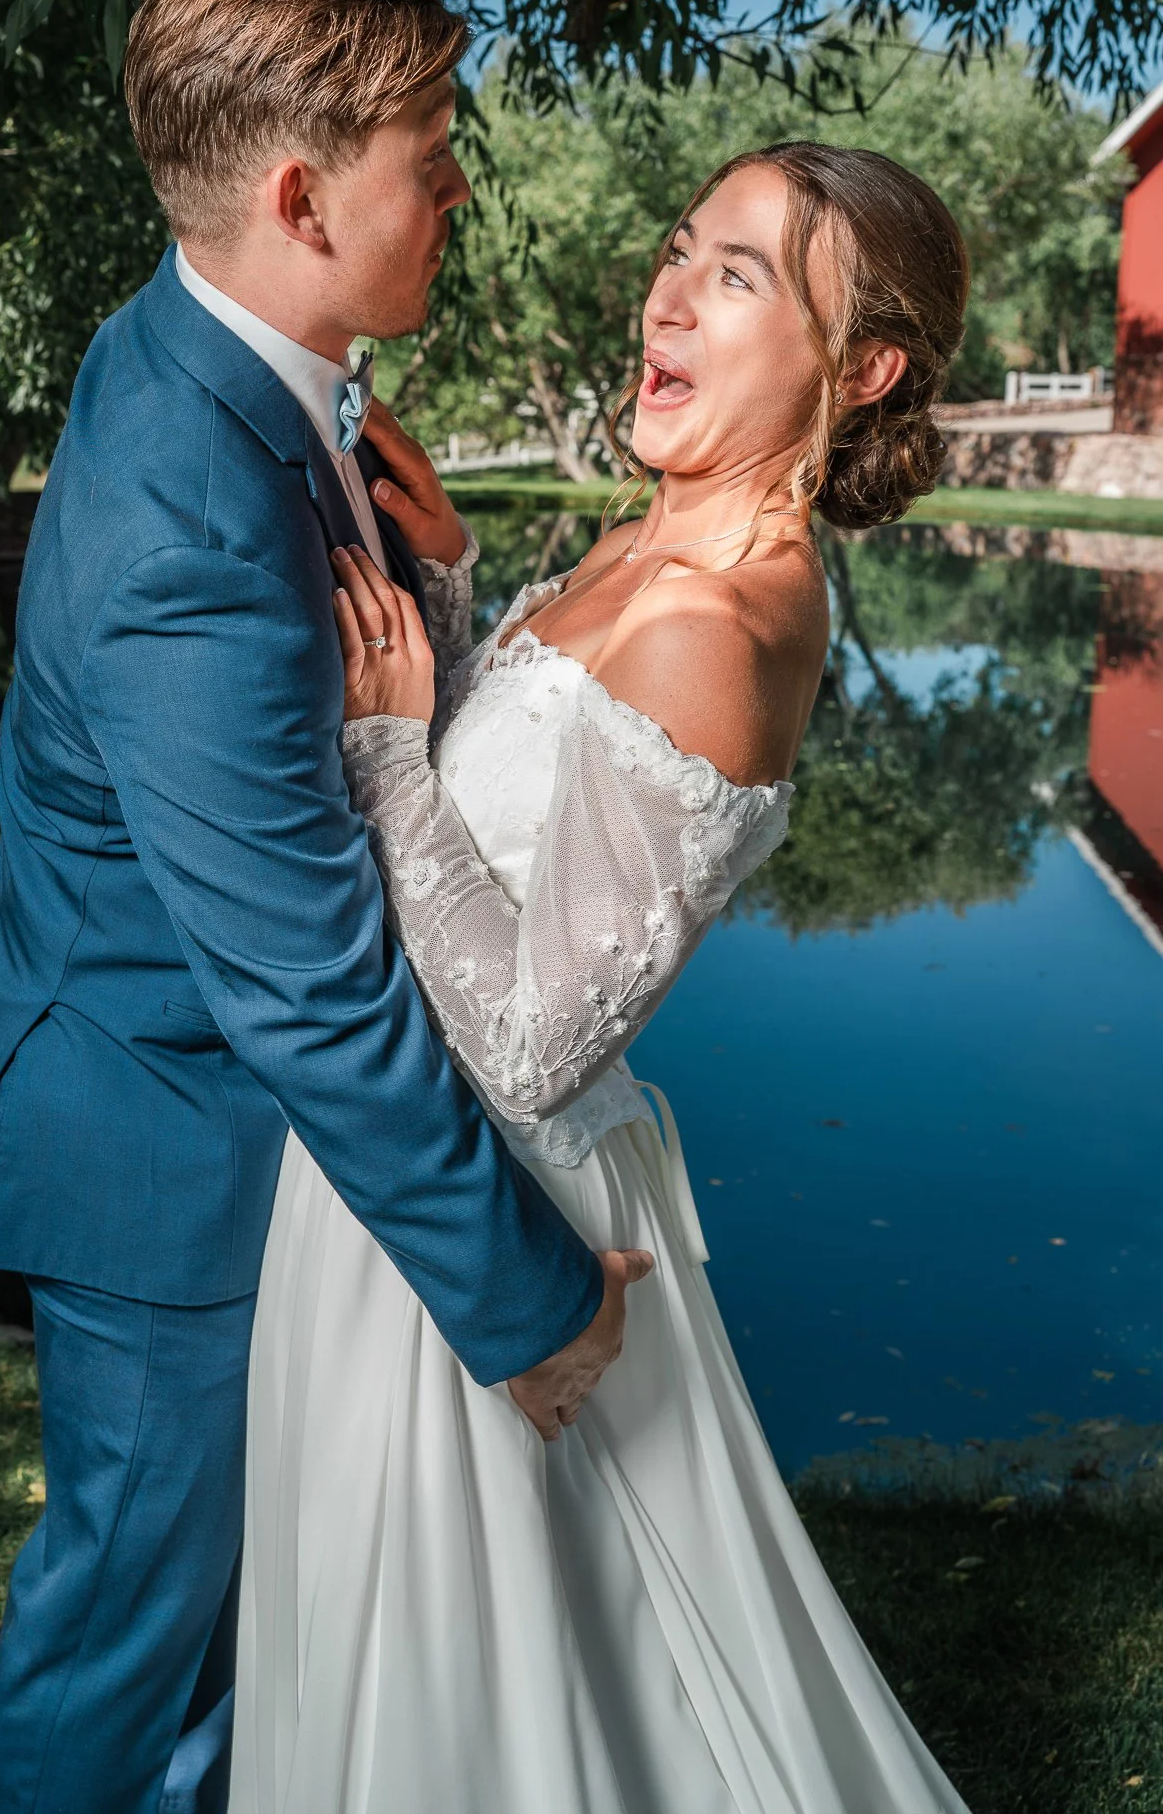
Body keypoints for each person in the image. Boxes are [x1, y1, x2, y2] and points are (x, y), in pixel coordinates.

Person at [0, 0, 653, 1814]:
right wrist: (530, 1305)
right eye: (429, 150)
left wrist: (429, 579)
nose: (455, 186)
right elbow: (305, 978)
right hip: (163, 1146)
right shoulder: (187, 505)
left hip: (201, 1096)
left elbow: (330, 731)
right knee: (132, 1640)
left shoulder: (237, 359)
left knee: (237, 1659)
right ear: (297, 190)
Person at [229, 142, 977, 1812]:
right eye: (680, 247)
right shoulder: (643, 550)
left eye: (740, 275)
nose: (669, 290)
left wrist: (380, 753)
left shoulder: (723, 618)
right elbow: (532, 832)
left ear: (862, 369)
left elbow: (530, 1029)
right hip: (398, 1174)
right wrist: (450, 595)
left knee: (473, 1700)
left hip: (480, 1206)